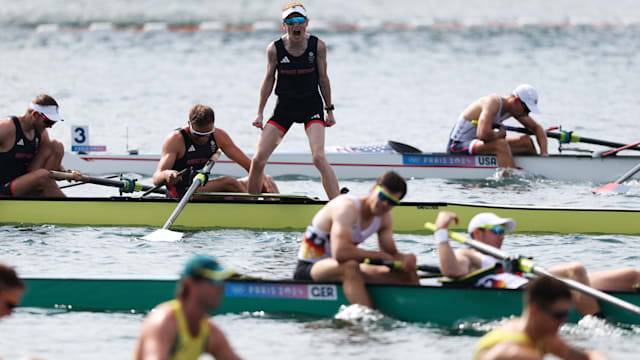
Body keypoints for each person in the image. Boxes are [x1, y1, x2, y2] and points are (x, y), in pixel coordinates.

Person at [433, 211, 640, 316]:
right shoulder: (470, 255)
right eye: (496, 231)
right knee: (574, 269)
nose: (502, 236)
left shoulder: (502, 259)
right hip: (525, 293)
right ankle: (598, 323)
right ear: (477, 234)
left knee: (632, 276)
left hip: (528, 282)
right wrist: (441, 231)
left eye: (503, 231)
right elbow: (451, 270)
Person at [248, 1, 340, 199]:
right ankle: (250, 205)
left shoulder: (318, 46)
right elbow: (269, 80)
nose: (295, 25)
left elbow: (323, 79)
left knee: (318, 157)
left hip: (311, 106)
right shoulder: (274, 49)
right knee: (257, 161)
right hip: (285, 108)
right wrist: (260, 113)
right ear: (284, 25)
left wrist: (329, 110)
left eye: (299, 20)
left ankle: (338, 204)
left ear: (306, 23)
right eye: (290, 21)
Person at [293, 171, 419, 308]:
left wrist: (405, 258)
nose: (384, 204)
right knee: (350, 267)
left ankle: (418, 312)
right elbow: (341, 253)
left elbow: (391, 254)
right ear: (373, 189)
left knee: (406, 273)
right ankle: (366, 319)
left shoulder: (384, 218)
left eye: (392, 202)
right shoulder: (346, 207)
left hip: (338, 266)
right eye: (383, 196)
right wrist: (381, 256)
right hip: (309, 269)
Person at [153, 104, 279, 199]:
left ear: (213, 125)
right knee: (230, 183)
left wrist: (259, 183)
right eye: (197, 135)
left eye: (207, 134)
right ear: (189, 124)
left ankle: (279, 212)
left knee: (265, 179)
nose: (203, 139)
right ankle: (255, 211)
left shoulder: (219, 136)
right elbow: (156, 177)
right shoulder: (176, 139)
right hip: (183, 191)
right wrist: (167, 175)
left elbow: (249, 166)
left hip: (202, 186)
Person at [134, 255, 243, 360]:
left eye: (222, 282)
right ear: (190, 283)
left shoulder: (209, 332)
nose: (221, 288)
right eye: (214, 281)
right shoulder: (164, 323)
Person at [474, 276, 608, 360]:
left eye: (566, 315)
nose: (563, 322)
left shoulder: (542, 336)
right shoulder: (513, 353)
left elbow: (587, 356)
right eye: (559, 315)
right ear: (535, 310)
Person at [447, 84, 549, 168]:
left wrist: (544, 154)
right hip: (458, 146)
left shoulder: (515, 109)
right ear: (516, 101)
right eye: (526, 110)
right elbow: (482, 134)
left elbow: (537, 128)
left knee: (526, 142)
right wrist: (499, 134)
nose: (526, 115)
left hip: (478, 144)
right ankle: (511, 181)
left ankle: (524, 168)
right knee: (500, 144)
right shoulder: (492, 103)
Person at [0, 94, 81, 197]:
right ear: (34, 115)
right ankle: (72, 210)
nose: (50, 126)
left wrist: (69, 173)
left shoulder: (41, 133)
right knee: (42, 175)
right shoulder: (6, 128)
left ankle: (42, 195)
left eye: (53, 123)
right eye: (48, 122)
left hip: (25, 183)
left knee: (56, 146)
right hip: (4, 189)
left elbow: (53, 168)